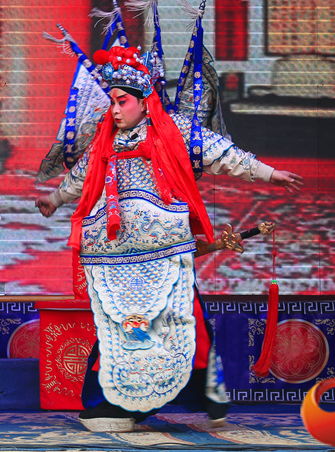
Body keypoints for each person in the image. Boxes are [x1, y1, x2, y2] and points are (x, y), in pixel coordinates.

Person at [35, 44, 303, 433]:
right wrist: (55, 199)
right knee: (118, 326)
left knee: (182, 322)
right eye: (112, 102)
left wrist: (269, 173)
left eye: (122, 101)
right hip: (117, 256)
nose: (115, 110)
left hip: (165, 254)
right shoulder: (106, 138)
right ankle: (110, 405)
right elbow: (82, 177)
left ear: (145, 100)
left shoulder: (174, 130)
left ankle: (203, 395)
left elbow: (222, 154)